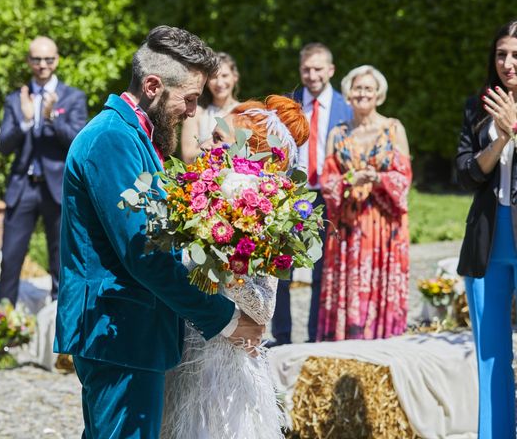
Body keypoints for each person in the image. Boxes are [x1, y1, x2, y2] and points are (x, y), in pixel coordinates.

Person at [54, 25, 265, 439]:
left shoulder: (137, 136)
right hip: (117, 328)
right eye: (188, 99)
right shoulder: (112, 138)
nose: (191, 111)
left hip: (129, 331)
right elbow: (145, 254)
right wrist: (224, 318)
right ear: (153, 85)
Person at [162, 95, 309, 439]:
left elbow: (264, 308)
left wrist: (227, 263)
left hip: (228, 366)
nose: (204, 144)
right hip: (186, 347)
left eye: (217, 140)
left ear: (248, 153)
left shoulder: (264, 220)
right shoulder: (199, 199)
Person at [316, 65, 411, 341]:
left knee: (381, 282)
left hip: (384, 225)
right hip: (347, 225)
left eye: (368, 88)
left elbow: (404, 179)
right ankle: (346, 341)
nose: (362, 93)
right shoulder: (338, 133)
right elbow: (327, 181)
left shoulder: (394, 129)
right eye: (357, 88)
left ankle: (384, 341)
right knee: (349, 283)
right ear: (347, 93)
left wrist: (378, 178)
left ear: (379, 93)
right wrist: (348, 180)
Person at [456, 19, 517, 438]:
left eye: (515, 54)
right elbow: (464, 174)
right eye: (501, 54)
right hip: (488, 239)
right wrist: (501, 139)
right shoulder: (477, 107)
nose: (507, 63)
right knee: (491, 354)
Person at [271, 43, 352, 345]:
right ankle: (281, 336)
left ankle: (317, 336)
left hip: (327, 196)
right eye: (307, 69)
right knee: (282, 268)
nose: (312, 74)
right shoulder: (287, 104)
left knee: (321, 270)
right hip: (293, 193)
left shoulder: (346, 108)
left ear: (330, 70)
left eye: (318, 68)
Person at [0, 36, 87, 305]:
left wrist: (52, 118)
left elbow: (78, 141)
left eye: (48, 59)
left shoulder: (73, 97)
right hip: (23, 185)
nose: (42, 65)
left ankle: (60, 333)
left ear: (56, 60)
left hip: (57, 187)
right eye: (36, 59)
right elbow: (3, 145)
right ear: (29, 61)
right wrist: (25, 120)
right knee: (11, 257)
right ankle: (3, 324)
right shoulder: (16, 99)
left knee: (61, 259)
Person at [181, 52, 239, 163]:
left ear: (234, 77)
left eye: (225, 76)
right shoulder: (195, 113)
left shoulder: (244, 111)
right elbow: (187, 156)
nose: (219, 83)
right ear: (206, 81)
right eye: (214, 77)